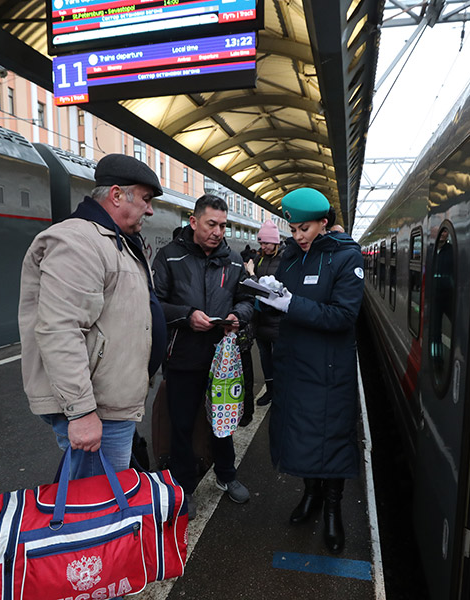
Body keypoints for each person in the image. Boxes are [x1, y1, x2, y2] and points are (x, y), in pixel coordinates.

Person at [18, 153, 166, 478]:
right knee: (96, 507)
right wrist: (82, 411)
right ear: (116, 195)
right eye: (145, 199)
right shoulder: (78, 242)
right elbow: (60, 328)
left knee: (97, 487)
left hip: (111, 401)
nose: (151, 209)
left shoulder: (113, 240)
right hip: (97, 406)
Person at [258, 188, 365, 554]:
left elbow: (344, 316)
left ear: (324, 222)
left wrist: (291, 303)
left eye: (304, 228)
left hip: (329, 370)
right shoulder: (290, 257)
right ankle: (311, 495)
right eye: (293, 229)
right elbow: (286, 303)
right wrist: (270, 296)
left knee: (331, 440)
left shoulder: (346, 258)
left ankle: (333, 511)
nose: (298, 236)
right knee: (301, 436)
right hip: (294, 365)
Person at [152, 194, 254, 506]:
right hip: (183, 357)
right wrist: (187, 316)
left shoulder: (234, 261)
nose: (218, 231)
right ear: (194, 222)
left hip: (222, 358)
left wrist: (239, 315)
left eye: (223, 225)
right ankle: (185, 489)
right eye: (212, 224)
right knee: (182, 425)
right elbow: (154, 304)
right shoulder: (169, 257)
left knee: (222, 422)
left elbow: (248, 299)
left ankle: (226, 474)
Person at [251, 220, 284, 406]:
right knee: (265, 356)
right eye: (261, 243)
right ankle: (270, 390)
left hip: (277, 318)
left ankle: (280, 392)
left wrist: (253, 277)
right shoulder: (259, 259)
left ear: (276, 242)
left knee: (279, 358)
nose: (263, 247)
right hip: (260, 317)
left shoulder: (284, 259)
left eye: (267, 243)